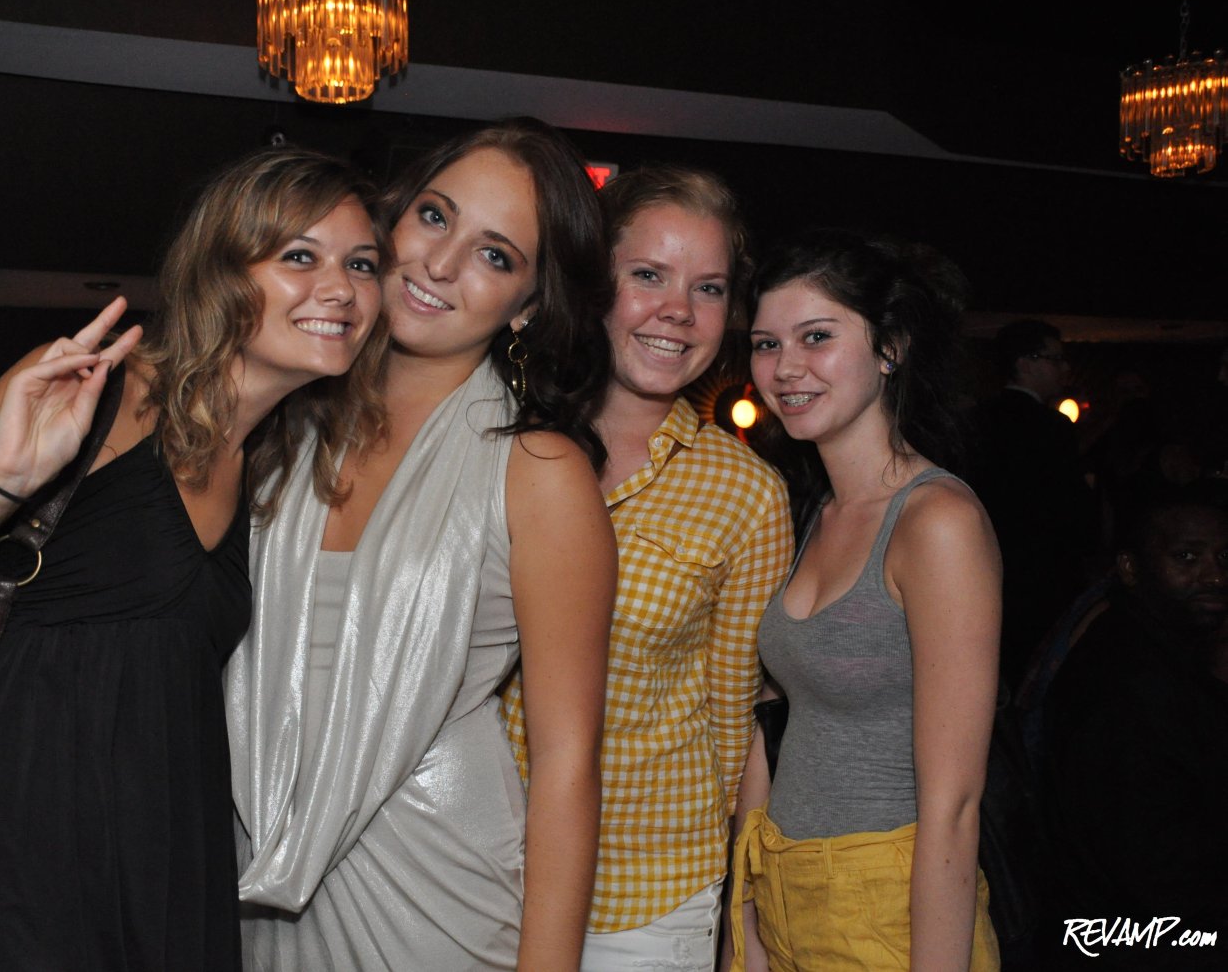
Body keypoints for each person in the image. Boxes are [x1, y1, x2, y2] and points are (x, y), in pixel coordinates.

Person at [0, 147, 386, 971]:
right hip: (3, 863)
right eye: (300, 256)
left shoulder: (274, 461)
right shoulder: (95, 390)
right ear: (221, 273)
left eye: (361, 263)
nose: (340, 288)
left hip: (163, 864)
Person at [228, 119, 617, 970]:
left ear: (529, 305)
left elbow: (566, 764)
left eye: (494, 255)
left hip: (435, 892)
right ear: (393, 218)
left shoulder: (539, 472)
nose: (440, 264)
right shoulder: (282, 425)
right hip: (250, 858)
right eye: (435, 216)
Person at [499, 165, 792, 970]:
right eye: (648, 275)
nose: (678, 310)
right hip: (472, 867)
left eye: (708, 287)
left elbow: (736, 728)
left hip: (641, 895)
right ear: (594, 283)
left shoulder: (744, 493)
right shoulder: (501, 436)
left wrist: (741, 925)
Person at [731, 230, 1002, 971]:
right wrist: (745, 929)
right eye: (765, 344)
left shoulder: (936, 521)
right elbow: (771, 725)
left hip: (890, 908)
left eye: (816, 337)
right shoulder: (806, 509)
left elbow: (954, 806)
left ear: (889, 348)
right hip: (784, 889)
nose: (785, 367)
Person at [1041, 481, 1228, 971]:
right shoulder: (1127, 682)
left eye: (1224, 558)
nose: (1214, 575)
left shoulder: (1156, 651)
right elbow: (1157, 869)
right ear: (1130, 567)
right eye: (1187, 557)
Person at [970, 319, 1097, 686]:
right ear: (1025, 363)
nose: (1064, 369)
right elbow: (1070, 508)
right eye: (1055, 359)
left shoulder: (974, 421)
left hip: (985, 568)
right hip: (1043, 574)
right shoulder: (1051, 428)